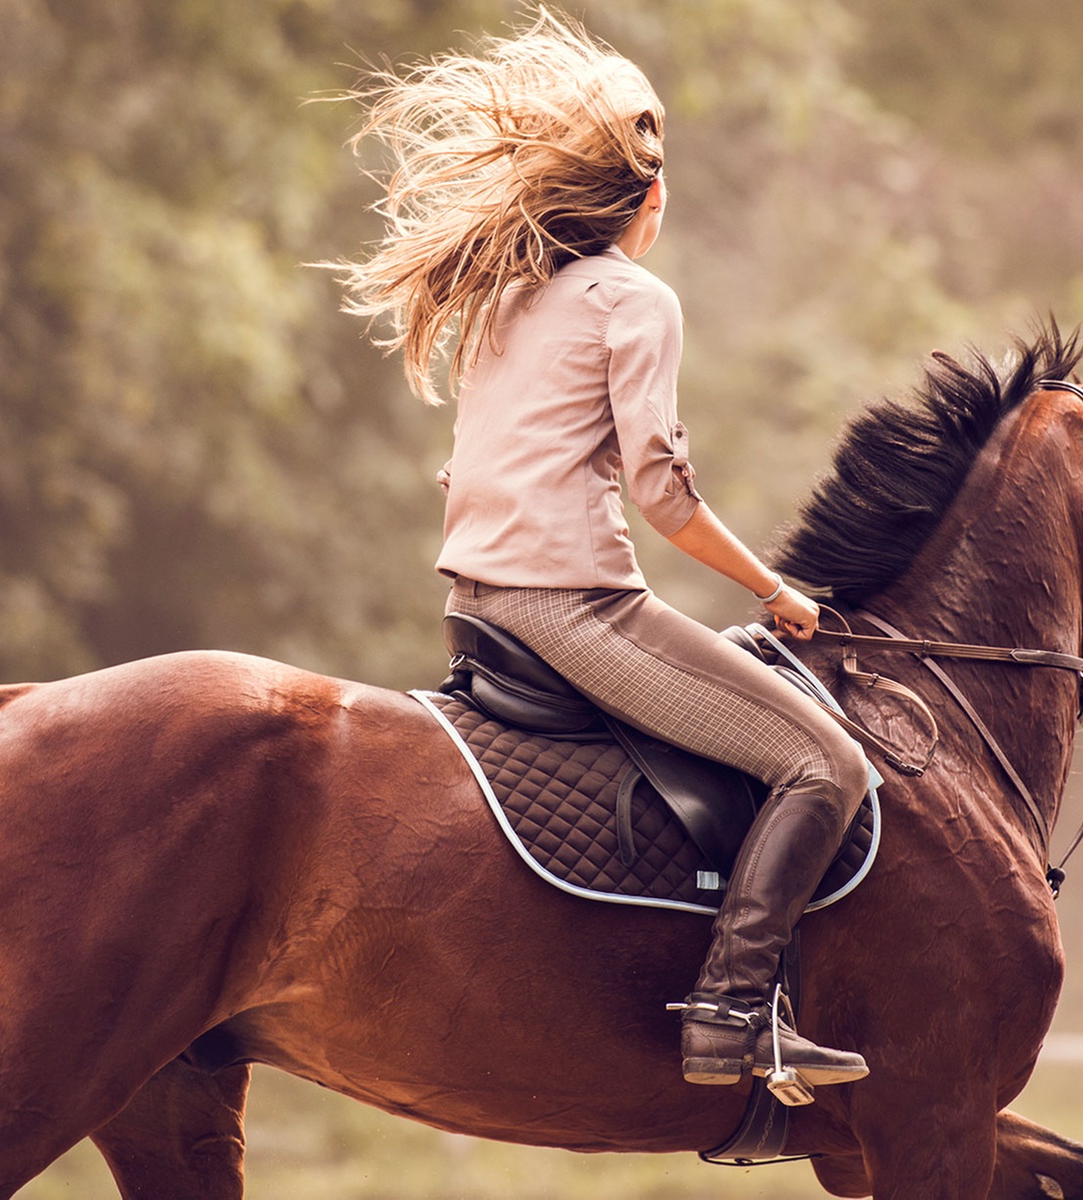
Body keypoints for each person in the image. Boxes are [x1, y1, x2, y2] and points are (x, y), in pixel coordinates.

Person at [327, 11, 870, 1090]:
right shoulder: (635, 299)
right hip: (570, 611)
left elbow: (465, 470)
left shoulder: (506, 299)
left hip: (477, 606)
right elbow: (665, 497)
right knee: (826, 763)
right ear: (652, 200)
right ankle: (730, 1011)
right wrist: (777, 591)